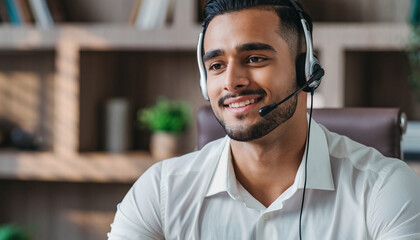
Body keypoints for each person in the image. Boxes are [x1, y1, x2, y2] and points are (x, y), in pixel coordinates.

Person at [108, 0, 420, 239]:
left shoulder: (384, 189)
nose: (231, 81)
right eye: (216, 65)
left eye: (255, 59)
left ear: (306, 71)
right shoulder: (162, 191)